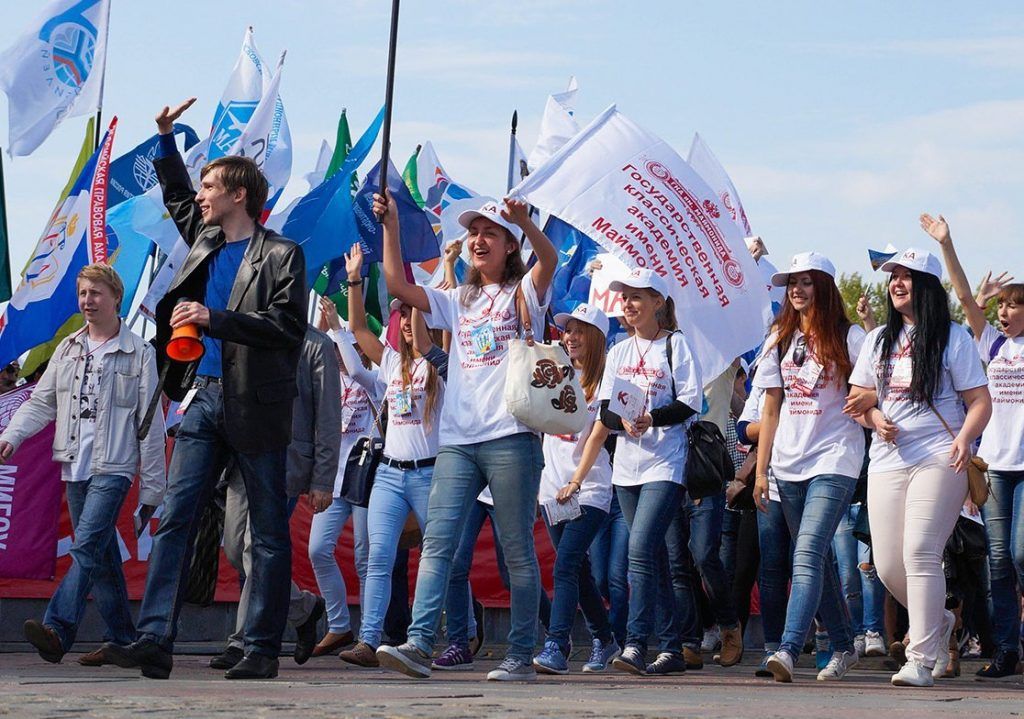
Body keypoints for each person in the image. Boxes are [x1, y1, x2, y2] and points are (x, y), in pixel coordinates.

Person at [100, 98, 307, 681]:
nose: (201, 194)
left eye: (211, 185)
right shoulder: (205, 240)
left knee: (266, 532)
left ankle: (261, 646)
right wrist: (164, 136)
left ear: (239, 194)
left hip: (257, 405)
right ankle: (154, 640)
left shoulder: (282, 254)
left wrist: (218, 320)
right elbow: (174, 194)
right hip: (203, 396)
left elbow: (288, 329)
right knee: (176, 517)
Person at [374, 193, 557, 682]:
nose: (478, 240)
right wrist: (391, 227)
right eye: (474, 233)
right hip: (456, 441)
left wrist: (524, 223)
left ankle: (521, 655)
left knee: (516, 550)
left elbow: (551, 259)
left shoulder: (524, 294)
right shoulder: (459, 300)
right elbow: (397, 284)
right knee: (437, 543)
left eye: (490, 233)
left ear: (509, 246)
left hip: (511, 438)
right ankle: (417, 642)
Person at [2, 264, 165, 664]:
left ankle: (58, 629)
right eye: (83, 294)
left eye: (95, 293)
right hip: (74, 463)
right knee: (103, 555)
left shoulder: (139, 352)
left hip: (115, 466)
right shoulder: (68, 348)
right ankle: (126, 640)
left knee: (87, 544)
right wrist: (12, 435)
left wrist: (152, 490)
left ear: (115, 298)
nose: (87, 301)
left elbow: (151, 424)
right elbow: (42, 402)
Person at [848, 246, 991, 687]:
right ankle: (942, 621)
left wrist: (965, 440)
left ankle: (922, 658)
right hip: (887, 459)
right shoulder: (877, 340)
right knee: (888, 566)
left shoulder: (954, 337)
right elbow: (856, 401)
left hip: (939, 456)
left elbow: (980, 402)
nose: (896, 283)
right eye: (893, 277)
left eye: (907, 276)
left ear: (927, 287)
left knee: (920, 552)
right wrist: (875, 419)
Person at [754, 252, 867, 682]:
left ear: (823, 286)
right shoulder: (779, 337)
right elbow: (770, 410)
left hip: (835, 458)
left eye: (805, 282)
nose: (796, 290)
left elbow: (873, 388)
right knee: (815, 560)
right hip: (787, 464)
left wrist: (868, 403)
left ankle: (787, 649)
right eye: (791, 284)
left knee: (805, 552)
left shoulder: (850, 336)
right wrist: (761, 471)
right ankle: (843, 644)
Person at [921, 213, 1024, 678]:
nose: (1003, 313)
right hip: (996, 467)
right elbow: (963, 296)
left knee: (1020, 553)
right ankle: (1006, 650)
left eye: (1013, 306)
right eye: (1001, 306)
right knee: (998, 560)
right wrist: (947, 243)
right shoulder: (991, 346)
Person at [337, 243, 447, 667]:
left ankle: (459, 635)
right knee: (378, 558)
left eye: (410, 321)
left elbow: (423, 336)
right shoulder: (390, 366)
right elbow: (360, 331)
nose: (404, 328)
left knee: (442, 559)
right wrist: (354, 279)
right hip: (388, 475)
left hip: (429, 475)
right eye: (399, 321)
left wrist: (417, 300)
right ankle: (368, 641)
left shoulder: (440, 365)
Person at [209, 323, 341, 670]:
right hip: (243, 460)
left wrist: (323, 478)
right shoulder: (249, 332)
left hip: (286, 465)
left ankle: (242, 641)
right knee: (236, 550)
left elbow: (328, 417)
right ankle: (303, 608)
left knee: (257, 548)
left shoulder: (317, 345)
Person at [598, 268, 704, 676]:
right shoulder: (619, 350)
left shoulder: (676, 345)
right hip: (626, 468)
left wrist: (652, 417)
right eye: (624, 296)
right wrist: (623, 420)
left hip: (665, 463)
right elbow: (606, 409)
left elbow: (691, 402)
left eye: (637, 296)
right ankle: (673, 648)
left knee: (638, 550)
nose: (628, 303)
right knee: (654, 559)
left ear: (658, 302)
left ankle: (636, 643)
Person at [532, 303, 620, 674]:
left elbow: (598, 436)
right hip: (551, 490)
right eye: (568, 331)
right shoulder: (555, 373)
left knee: (566, 565)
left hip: (589, 489)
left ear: (597, 337)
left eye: (580, 330)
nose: (571, 337)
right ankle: (606, 638)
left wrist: (576, 481)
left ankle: (556, 645)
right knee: (579, 570)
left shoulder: (606, 381)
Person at [311, 302, 378, 656]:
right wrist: (323, 326)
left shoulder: (375, 376)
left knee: (366, 557)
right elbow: (306, 350)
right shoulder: (324, 377)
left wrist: (340, 326)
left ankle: (369, 635)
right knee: (318, 549)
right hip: (331, 479)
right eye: (338, 346)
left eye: (348, 344)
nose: (340, 352)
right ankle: (339, 626)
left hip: (365, 477)